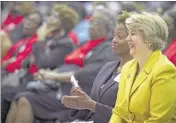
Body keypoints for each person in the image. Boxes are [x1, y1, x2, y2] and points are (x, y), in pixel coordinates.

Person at [4, 8, 118, 123]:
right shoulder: (85, 45)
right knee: (17, 97)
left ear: (108, 28)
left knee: (24, 98)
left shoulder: (106, 49)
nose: (91, 26)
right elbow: (32, 62)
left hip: (77, 95)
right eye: (91, 22)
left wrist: (52, 75)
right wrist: (49, 74)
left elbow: (84, 74)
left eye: (97, 23)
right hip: (60, 87)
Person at [61, 11, 133, 123]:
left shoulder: (140, 73)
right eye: (114, 35)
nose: (114, 40)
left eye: (120, 37)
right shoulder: (108, 67)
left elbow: (130, 118)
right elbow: (94, 106)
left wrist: (91, 105)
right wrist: (81, 102)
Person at [109, 12, 176, 123]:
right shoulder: (128, 67)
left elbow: (158, 120)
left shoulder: (164, 70)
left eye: (133, 34)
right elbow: (118, 112)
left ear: (149, 39)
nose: (128, 39)